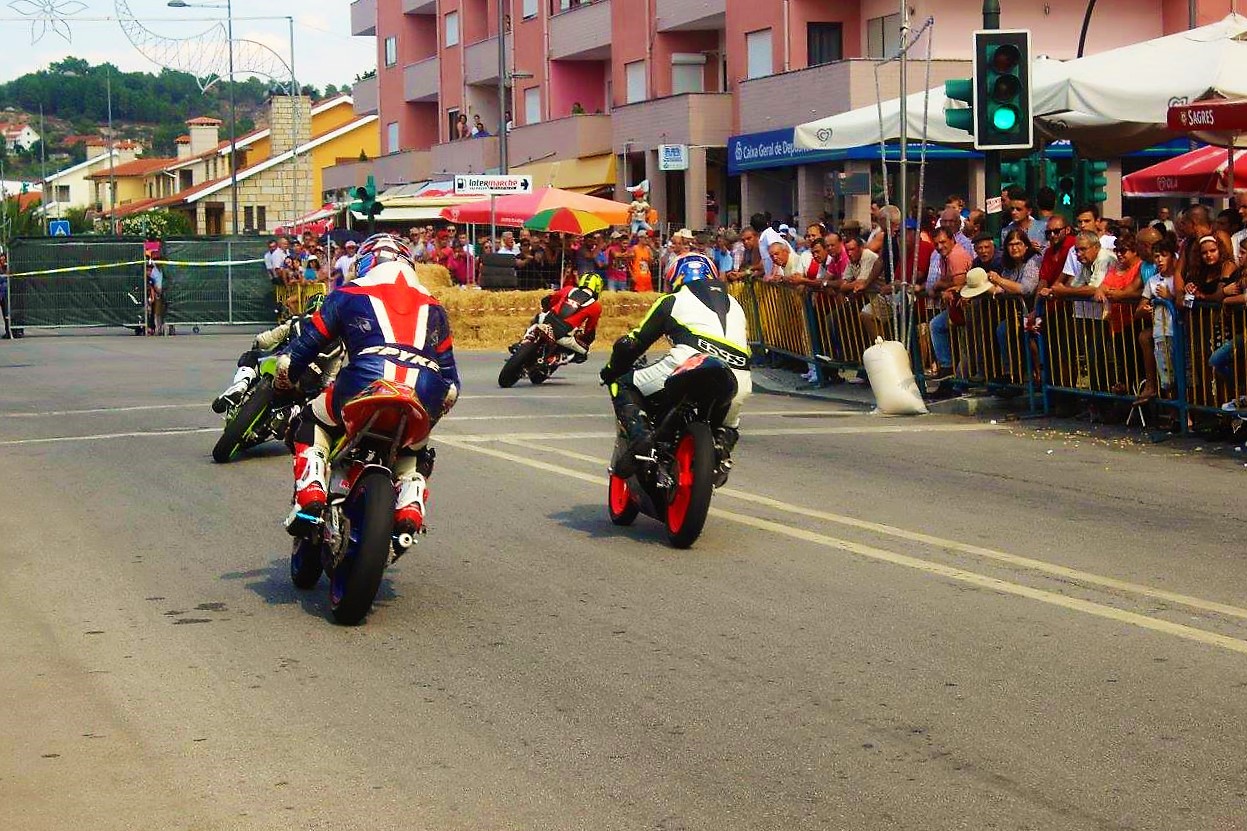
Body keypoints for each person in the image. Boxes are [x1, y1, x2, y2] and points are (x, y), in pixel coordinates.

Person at [280, 233, 459, 540]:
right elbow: (452, 385)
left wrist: (287, 378)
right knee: (415, 449)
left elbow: (306, 346)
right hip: (423, 388)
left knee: (313, 418)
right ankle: (411, 495)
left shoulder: (348, 293)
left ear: (366, 262)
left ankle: (312, 487)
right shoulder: (434, 306)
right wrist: (433, 411)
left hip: (365, 378)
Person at [599, 252, 751, 477]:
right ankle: (721, 449)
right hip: (738, 377)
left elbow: (633, 343)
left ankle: (641, 441)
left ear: (675, 277)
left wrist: (611, 370)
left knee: (622, 384)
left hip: (688, 362)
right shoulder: (736, 304)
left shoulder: (673, 300)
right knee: (730, 426)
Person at [211, 293, 344, 413]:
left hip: (284, 361)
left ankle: (241, 384)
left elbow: (267, 339)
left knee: (251, 356)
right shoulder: (339, 342)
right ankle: (296, 412)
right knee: (315, 394)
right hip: (306, 381)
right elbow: (329, 378)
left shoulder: (297, 320)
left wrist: (257, 343)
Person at [516, 272, 604, 362]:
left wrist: (547, 309)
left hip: (546, 322)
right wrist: (583, 338)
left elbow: (547, 300)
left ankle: (524, 341)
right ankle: (557, 358)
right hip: (562, 335)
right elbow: (590, 330)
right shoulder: (596, 306)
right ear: (598, 287)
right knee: (584, 353)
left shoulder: (568, 289)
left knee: (539, 317)